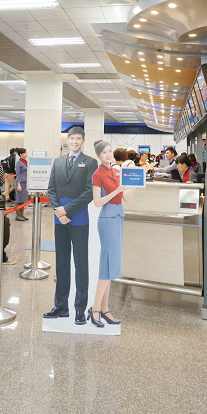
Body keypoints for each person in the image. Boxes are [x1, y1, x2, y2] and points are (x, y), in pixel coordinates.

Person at [43, 125, 98, 325]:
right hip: (60, 218)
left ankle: (80, 309)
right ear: (67, 140)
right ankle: (61, 306)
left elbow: (89, 192)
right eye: (72, 138)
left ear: (83, 141)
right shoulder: (58, 162)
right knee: (62, 263)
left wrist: (67, 210)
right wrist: (59, 210)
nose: (74, 142)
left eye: (78, 139)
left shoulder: (90, 163)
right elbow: (51, 189)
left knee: (81, 264)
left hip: (79, 217)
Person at [88, 140, 131, 327]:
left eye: (109, 151)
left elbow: (126, 198)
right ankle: (95, 309)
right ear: (98, 156)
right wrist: (118, 191)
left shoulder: (116, 172)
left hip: (118, 217)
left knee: (111, 265)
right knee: (106, 265)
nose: (108, 154)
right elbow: (97, 202)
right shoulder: (97, 174)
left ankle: (104, 309)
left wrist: (136, 183)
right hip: (106, 221)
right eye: (104, 152)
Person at [14, 148, 29, 220]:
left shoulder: (25, 162)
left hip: (25, 183)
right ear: (20, 154)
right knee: (18, 200)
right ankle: (18, 216)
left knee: (23, 200)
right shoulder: (18, 163)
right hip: (20, 183)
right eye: (25, 153)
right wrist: (19, 184)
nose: (26, 154)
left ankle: (22, 215)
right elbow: (18, 174)